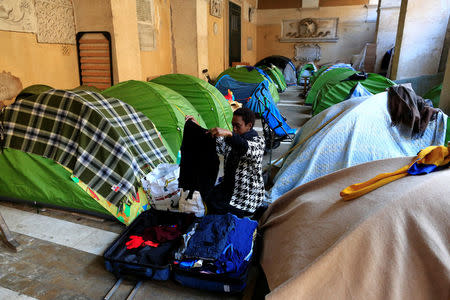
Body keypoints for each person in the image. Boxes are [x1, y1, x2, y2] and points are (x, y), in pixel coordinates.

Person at [185, 108, 265, 217]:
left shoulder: (258, 142)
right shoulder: (232, 140)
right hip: (229, 189)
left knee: (214, 208)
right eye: (233, 125)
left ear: (249, 126)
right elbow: (212, 140)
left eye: (238, 126)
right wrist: (197, 127)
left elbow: (245, 147)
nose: (234, 129)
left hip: (246, 197)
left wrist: (229, 134)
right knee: (206, 197)